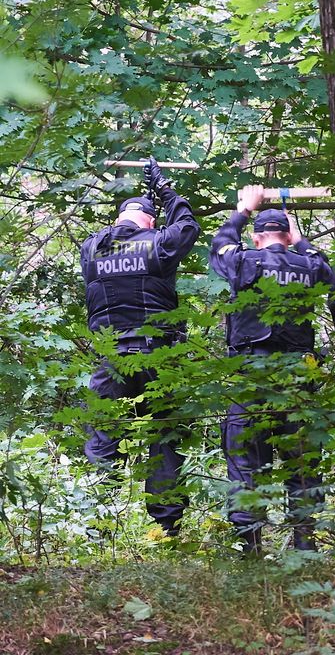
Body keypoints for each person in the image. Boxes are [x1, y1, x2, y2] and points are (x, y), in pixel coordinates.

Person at [210, 185, 335, 553]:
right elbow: (330, 274)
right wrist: (302, 243)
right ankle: (305, 543)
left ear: (256, 240)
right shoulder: (309, 265)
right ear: (288, 237)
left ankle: (250, 547)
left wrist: (244, 211)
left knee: (244, 457)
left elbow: (220, 243)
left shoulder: (244, 260)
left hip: (252, 372)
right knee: (301, 458)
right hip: (298, 373)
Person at [80, 157, 200, 536]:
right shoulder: (158, 244)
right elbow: (187, 227)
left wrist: (145, 207)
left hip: (112, 358)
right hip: (158, 356)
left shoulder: (91, 248)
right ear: (150, 221)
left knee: (103, 435)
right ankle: (168, 528)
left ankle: (100, 520)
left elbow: (124, 247)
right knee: (164, 437)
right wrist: (165, 191)